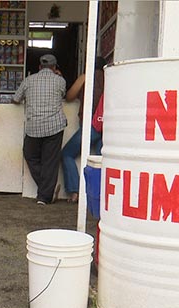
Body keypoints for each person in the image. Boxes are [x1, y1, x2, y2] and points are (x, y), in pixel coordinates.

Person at [12, 54, 67, 205]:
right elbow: (64, 95)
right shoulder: (60, 81)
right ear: (55, 68)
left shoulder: (28, 80)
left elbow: (15, 99)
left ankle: (44, 194)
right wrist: (59, 75)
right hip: (55, 126)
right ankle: (45, 194)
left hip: (34, 126)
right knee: (50, 161)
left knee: (30, 154)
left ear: (39, 67)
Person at [61, 56, 107, 203]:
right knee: (102, 161)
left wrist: (83, 79)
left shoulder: (86, 77)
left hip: (91, 126)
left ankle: (75, 191)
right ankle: (102, 195)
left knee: (66, 154)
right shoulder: (111, 79)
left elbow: (69, 97)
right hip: (106, 126)